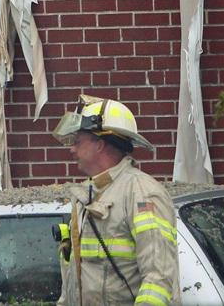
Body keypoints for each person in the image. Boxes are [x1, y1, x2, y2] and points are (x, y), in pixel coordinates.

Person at [51, 94, 180, 306]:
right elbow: (77, 281)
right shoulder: (87, 196)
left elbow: (159, 277)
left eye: (78, 141)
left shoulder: (141, 193)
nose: (71, 149)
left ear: (99, 144)